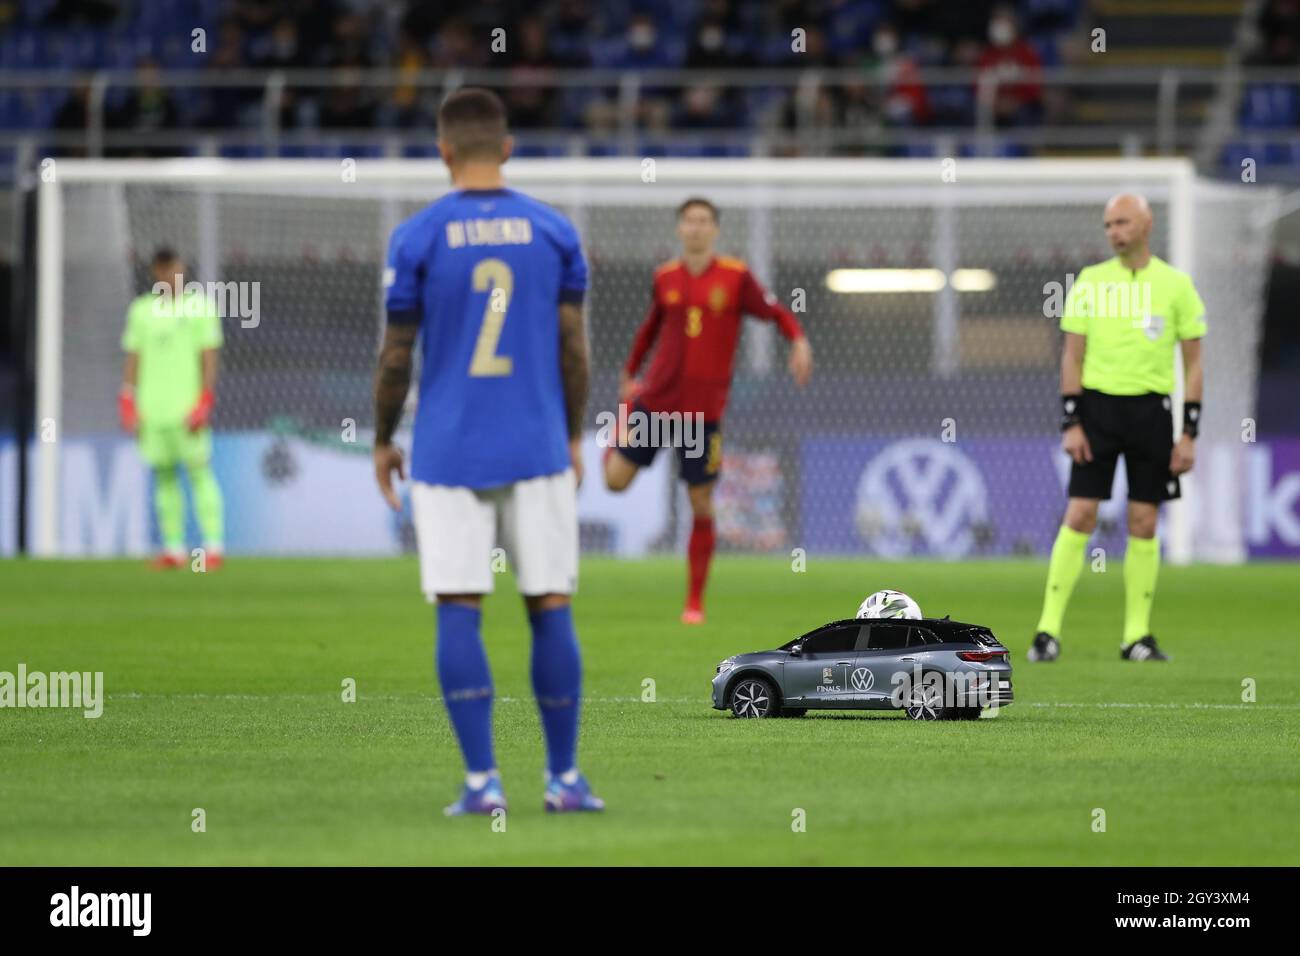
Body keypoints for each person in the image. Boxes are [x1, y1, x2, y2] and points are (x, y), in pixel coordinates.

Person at [372, 88, 602, 815]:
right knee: (550, 604)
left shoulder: (417, 237)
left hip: (447, 451)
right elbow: (574, 347)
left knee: (459, 606)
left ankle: (482, 784)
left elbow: (394, 355)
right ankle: (563, 781)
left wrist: (382, 439)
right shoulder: (553, 230)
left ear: (443, 152)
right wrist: (570, 431)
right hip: (536, 444)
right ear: (507, 148)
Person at [605, 198, 813, 624]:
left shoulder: (736, 277)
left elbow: (774, 311)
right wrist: (630, 372)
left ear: (715, 230)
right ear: (680, 229)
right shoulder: (665, 277)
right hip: (658, 404)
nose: (696, 228)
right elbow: (650, 327)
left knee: (700, 502)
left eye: (704, 221)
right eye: (689, 221)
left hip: (703, 416)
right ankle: (624, 421)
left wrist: (799, 340)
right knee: (614, 482)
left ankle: (694, 602)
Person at [1030, 193, 1206, 663]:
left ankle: (1136, 637)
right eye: (1108, 224)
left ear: (1146, 224)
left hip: (1152, 413)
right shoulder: (1089, 282)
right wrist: (1071, 421)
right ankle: (1046, 632)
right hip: (1097, 412)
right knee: (1081, 513)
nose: (1114, 232)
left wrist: (1188, 431)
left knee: (1145, 521)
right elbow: (1072, 355)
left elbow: (1193, 364)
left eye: (1123, 222)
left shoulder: (1176, 285)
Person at [118, 249, 225, 569]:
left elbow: (209, 356)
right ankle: (174, 549)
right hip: (153, 410)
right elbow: (134, 357)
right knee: (163, 477)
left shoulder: (199, 307)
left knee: (200, 473)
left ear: (182, 269)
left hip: (187, 409)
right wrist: (128, 400)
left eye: (173, 268)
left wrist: (204, 400)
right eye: (162, 270)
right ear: (155, 272)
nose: (168, 275)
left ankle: (213, 547)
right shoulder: (141, 311)